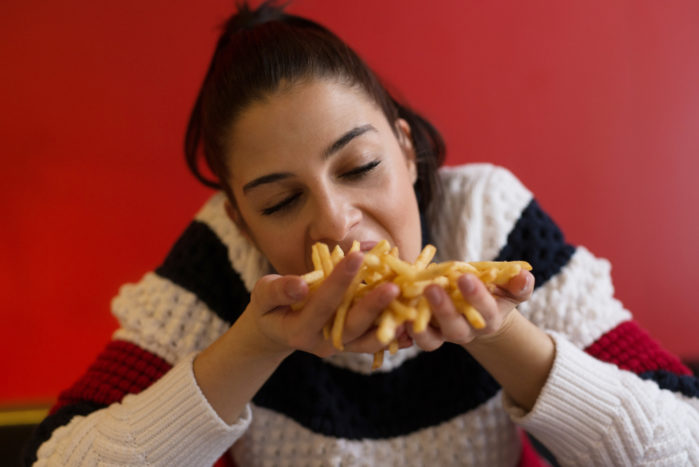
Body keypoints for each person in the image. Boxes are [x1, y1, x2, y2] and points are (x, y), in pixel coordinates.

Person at [26, 2, 699, 466]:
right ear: (239, 217)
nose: (337, 223)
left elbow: (684, 443)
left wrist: (496, 332)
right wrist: (256, 345)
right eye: (283, 200)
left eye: (359, 167)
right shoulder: (223, 262)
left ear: (405, 151)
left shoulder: (486, 220)